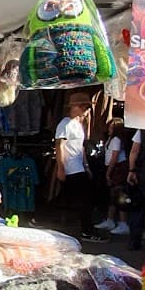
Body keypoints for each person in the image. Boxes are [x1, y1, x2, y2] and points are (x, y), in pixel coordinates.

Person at [52, 98, 94, 238]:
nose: (87, 111)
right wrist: (61, 168)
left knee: (78, 198)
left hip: (78, 167)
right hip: (71, 168)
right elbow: (60, 146)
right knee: (83, 200)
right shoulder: (64, 124)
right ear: (76, 107)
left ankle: (83, 229)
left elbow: (80, 147)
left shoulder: (78, 124)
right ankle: (86, 230)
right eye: (85, 107)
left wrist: (86, 165)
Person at [93, 121, 132, 236]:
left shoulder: (116, 140)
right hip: (113, 167)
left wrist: (108, 172)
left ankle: (123, 223)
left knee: (120, 195)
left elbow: (114, 157)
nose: (109, 129)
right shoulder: (111, 139)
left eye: (112, 127)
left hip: (118, 169)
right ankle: (110, 220)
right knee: (112, 195)